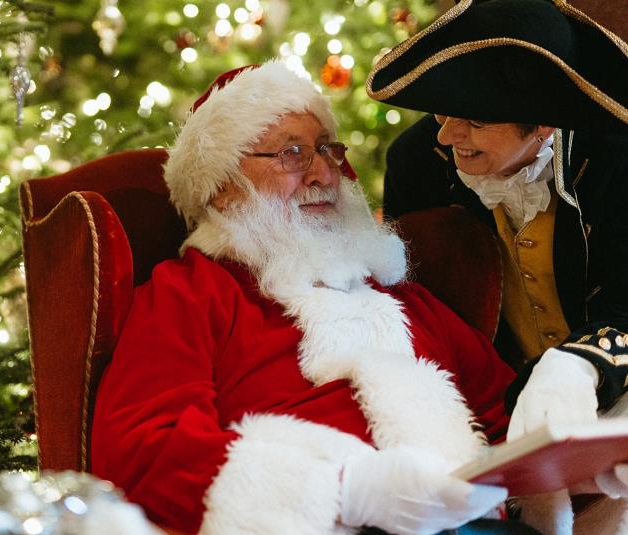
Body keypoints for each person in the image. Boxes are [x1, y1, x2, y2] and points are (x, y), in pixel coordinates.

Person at [90, 60, 537, 535]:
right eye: (292, 153)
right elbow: (141, 448)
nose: (324, 173)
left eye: (327, 149)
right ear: (221, 189)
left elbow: (507, 411)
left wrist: (575, 454)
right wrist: (348, 489)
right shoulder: (190, 292)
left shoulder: (399, 298)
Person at [367, 0, 628, 531]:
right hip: (502, 425)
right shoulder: (417, 162)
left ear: (544, 126)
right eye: (442, 110)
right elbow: (418, 307)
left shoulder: (617, 160)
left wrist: (579, 364)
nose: (446, 135)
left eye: (476, 120)